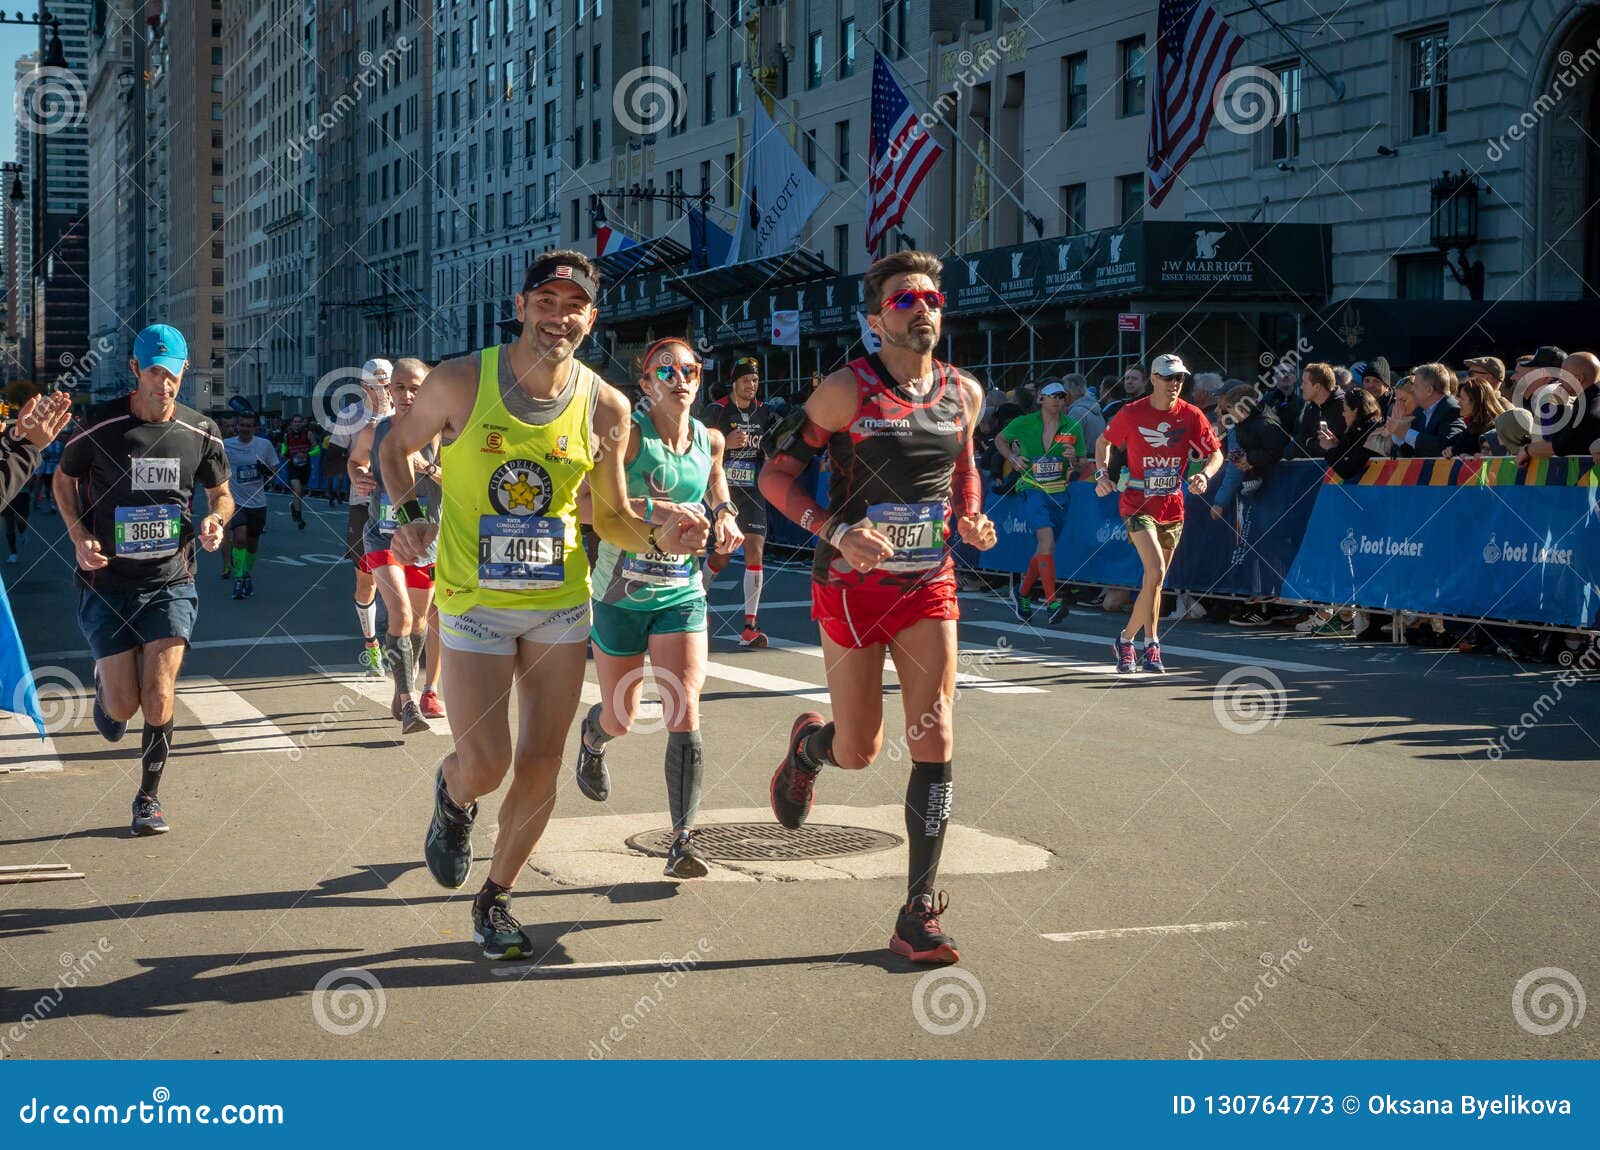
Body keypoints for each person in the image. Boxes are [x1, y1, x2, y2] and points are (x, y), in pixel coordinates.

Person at [384, 250, 708, 960]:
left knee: (539, 761)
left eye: (575, 305)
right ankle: (453, 794)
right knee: (487, 763)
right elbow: (395, 448)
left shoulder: (608, 406)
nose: (559, 316)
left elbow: (613, 517)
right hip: (474, 603)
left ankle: (495, 897)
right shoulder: (461, 381)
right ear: (522, 302)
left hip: (561, 603)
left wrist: (661, 533)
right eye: (547, 301)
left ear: (592, 320)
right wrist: (408, 512)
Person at [758, 250, 997, 965]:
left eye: (931, 296)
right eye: (904, 299)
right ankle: (809, 749)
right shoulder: (845, 391)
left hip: (929, 583)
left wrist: (974, 519)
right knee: (859, 751)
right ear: (876, 320)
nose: (922, 307)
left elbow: (964, 471)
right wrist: (834, 530)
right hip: (850, 585)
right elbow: (776, 475)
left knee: (937, 734)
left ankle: (917, 908)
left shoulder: (965, 393)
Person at [52, 325, 233, 835]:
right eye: (154, 372)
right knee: (123, 706)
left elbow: (222, 492)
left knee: (158, 695)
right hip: (105, 582)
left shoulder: (201, 431)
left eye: (172, 373)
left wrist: (217, 519)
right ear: (135, 370)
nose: (164, 383)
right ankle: (106, 686)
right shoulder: (99, 424)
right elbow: (63, 479)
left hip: (170, 580)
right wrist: (77, 533)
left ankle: (148, 798)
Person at [576, 338, 743, 878]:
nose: (680, 378)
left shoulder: (709, 439)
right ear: (645, 385)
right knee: (621, 718)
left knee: (684, 708)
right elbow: (584, 504)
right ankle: (593, 738)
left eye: (689, 369)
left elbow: (716, 482)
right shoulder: (627, 437)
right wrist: (658, 511)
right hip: (621, 592)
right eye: (665, 371)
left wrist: (724, 514)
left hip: (680, 591)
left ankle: (682, 840)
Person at [1094, 353, 1222, 673]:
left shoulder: (1191, 415)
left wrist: (1204, 474)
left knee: (1157, 580)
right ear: (1153, 379)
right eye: (1168, 378)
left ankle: (1131, 641)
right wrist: (1101, 474)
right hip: (1136, 500)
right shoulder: (1132, 412)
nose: (1175, 384)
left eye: (1179, 378)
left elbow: (1216, 454)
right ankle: (1145, 645)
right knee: (1153, 572)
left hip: (1172, 504)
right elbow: (1103, 442)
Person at [350, 357, 442, 732]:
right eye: (400, 387)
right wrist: (359, 478)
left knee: (419, 621)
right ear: (389, 391)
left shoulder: (442, 435)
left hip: (425, 539)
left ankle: (404, 684)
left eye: (416, 388)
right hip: (382, 535)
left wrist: (427, 468)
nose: (407, 395)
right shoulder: (376, 430)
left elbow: (463, 486)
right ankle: (408, 704)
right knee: (401, 615)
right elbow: (356, 461)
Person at [996, 379, 1083, 623]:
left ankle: (1022, 593)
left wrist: (1074, 459)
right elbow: (999, 440)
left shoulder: (1072, 426)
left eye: (1062, 396)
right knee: (1046, 541)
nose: (1058, 400)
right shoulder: (1023, 423)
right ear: (1041, 399)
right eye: (1053, 395)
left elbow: (1081, 463)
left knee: (1046, 548)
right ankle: (1052, 602)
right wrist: (1012, 458)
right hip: (1032, 488)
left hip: (1059, 492)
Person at [701, 355, 773, 646]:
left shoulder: (764, 412)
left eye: (755, 380)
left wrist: (771, 455)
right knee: (724, 553)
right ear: (734, 383)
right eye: (745, 380)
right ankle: (700, 595)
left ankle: (749, 628)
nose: (751, 385)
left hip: (752, 491)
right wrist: (725, 445)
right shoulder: (716, 411)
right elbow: (698, 446)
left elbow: (769, 448)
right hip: (721, 490)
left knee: (755, 549)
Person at [344, 360, 395, 676]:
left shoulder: (411, 414)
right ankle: (371, 643)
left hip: (404, 504)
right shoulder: (352, 416)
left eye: (387, 382)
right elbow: (346, 459)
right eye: (375, 383)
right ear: (364, 386)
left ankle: (399, 639)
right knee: (367, 581)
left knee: (412, 578)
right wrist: (357, 474)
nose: (383, 389)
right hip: (364, 505)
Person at [221, 412, 281, 599]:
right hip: (236, 501)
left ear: (255, 428)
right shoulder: (227, 445)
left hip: (257, 502)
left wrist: (266, 471)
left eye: (249, 426)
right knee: (239, 538)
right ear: (237, 427)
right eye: (242, 425)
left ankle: (246, 573)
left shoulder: (264, 445)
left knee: (253, 543)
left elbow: (275, 469)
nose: (246, 429)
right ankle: (239, 577)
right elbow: (217, 466)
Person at [0, 391, 71, 508]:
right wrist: (28, 445)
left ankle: (45, 502)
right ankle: (40, 501)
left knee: (46, 488)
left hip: (48, 471)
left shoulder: (60, 445)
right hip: (43, 471)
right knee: (41, 487)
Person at [1387, 363, 1465, 456]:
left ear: (1429, 390)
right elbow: (1413, 453)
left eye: (1416, 386)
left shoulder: (1452, 409)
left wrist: (1406, 433)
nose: (1412, 390)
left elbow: (1445, 446)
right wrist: (1398, 432)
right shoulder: (1420, 411)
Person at [1446, 372, 1511, 456]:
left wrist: (1473, 460)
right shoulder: (1472, 426)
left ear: (1475, 402)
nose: (1458, 403)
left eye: (1462, 398)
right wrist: (1450, 450)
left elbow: (1499, 461)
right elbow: (1458, 448)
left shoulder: (1496, 431)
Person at [279, 414, 315, 529]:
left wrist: (306, 454)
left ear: (302, 423)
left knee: (301, 493)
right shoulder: (287, 435)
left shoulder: (308, 434)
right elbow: (285, 448)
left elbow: (317, 449)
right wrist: (283, 452)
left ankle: (294, 506)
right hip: (293, 466)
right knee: (297, 490)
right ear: (291, 423)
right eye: (295, 421)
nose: (297, 423)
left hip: (305, 467)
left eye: (299, 421)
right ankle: (299, 518)